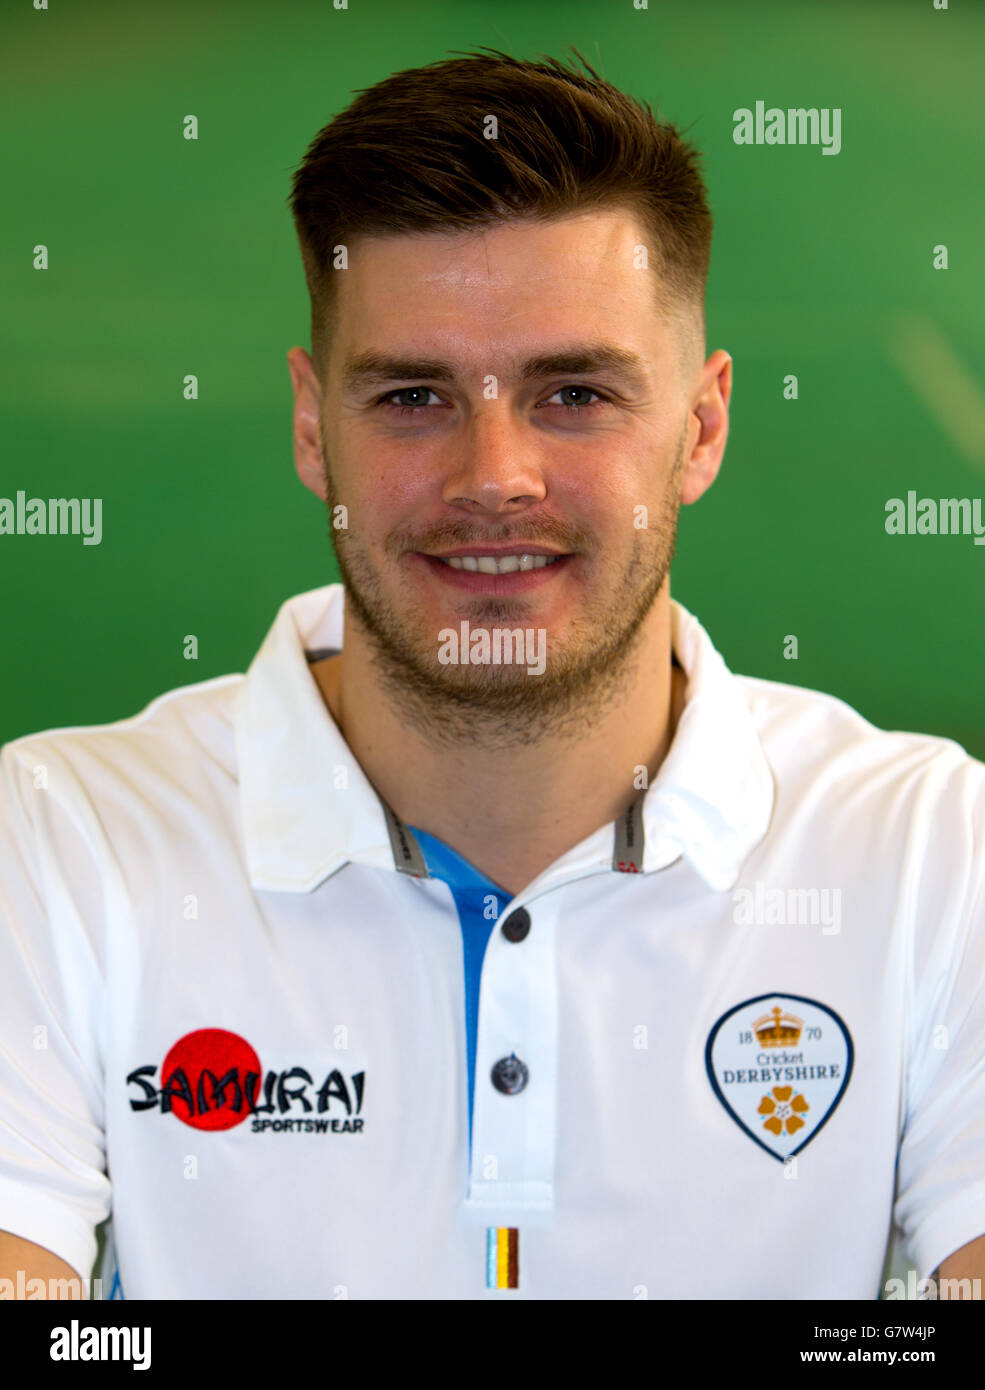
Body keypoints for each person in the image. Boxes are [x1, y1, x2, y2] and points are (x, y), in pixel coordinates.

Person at [1, 48, 982, 1301]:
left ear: (703, 424)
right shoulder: (55, 840)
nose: (492, 476)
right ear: (314, 428)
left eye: (574, 393)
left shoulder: (934, 852)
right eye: (412, 396)